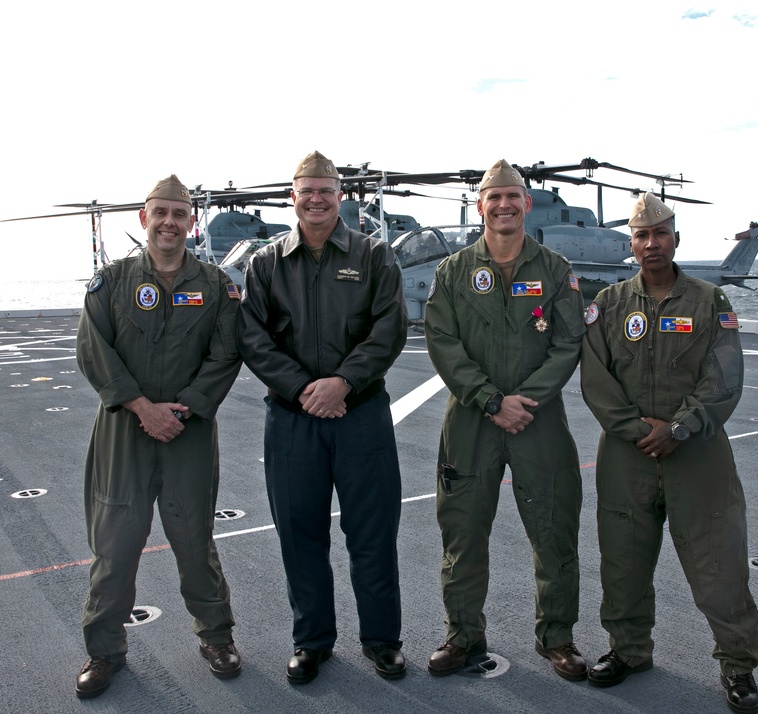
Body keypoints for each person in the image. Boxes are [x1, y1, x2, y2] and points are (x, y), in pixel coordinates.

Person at [580, 192, 758, 713]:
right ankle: (629, 650)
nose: (651, 243)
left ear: (675, 239)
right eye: (642, 236)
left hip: (698, 455)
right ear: (632, 244)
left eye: (661, 234)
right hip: (626, 455)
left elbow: (724, 378)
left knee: (719, 565)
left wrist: (679, 428)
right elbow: (596, 381)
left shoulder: (709, 301)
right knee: (623, 562)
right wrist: (639, 428)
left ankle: (738, 666)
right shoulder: (609, 305)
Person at [237, 151, 408, 683]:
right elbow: (252, 336)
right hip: (292, 420)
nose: (316, 199)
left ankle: (382, 640)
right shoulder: (266, 264)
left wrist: (344, 382)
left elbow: (389, 328)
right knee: (299, 533)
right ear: (293, 197)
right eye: (306, 190)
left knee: (373, 534)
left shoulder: (374, 256)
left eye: (325, 191)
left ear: (340, 197)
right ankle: (312, 641)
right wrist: (302, 388)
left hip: (360, 415)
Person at [74, 174, 243, 699]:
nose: (170, 222)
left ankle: (215, 638)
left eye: (180, 213)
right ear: (144, 219)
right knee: (115, 545)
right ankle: (104, 652)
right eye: (161, 212)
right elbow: (93, 350)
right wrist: (143, 408)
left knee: (194, 540)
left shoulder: (216, 286)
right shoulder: (113, 281)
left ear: (191, 223)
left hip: (188, 433)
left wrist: (183, 411)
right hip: (125, 429)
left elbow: (225, 355)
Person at [424, 159, 587, 681]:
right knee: (463, 532)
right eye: (493, 197)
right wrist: (492, 400)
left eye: (512, 196)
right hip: (472, 420)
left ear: (527, 203)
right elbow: (443, 343)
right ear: (481, 207)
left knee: (554, 530)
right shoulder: (452, 272)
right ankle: (463, 635)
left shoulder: (557, 271)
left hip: (538, 421)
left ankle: (557, 637)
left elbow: (568, 344)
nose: (504, 205)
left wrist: (524, 401)